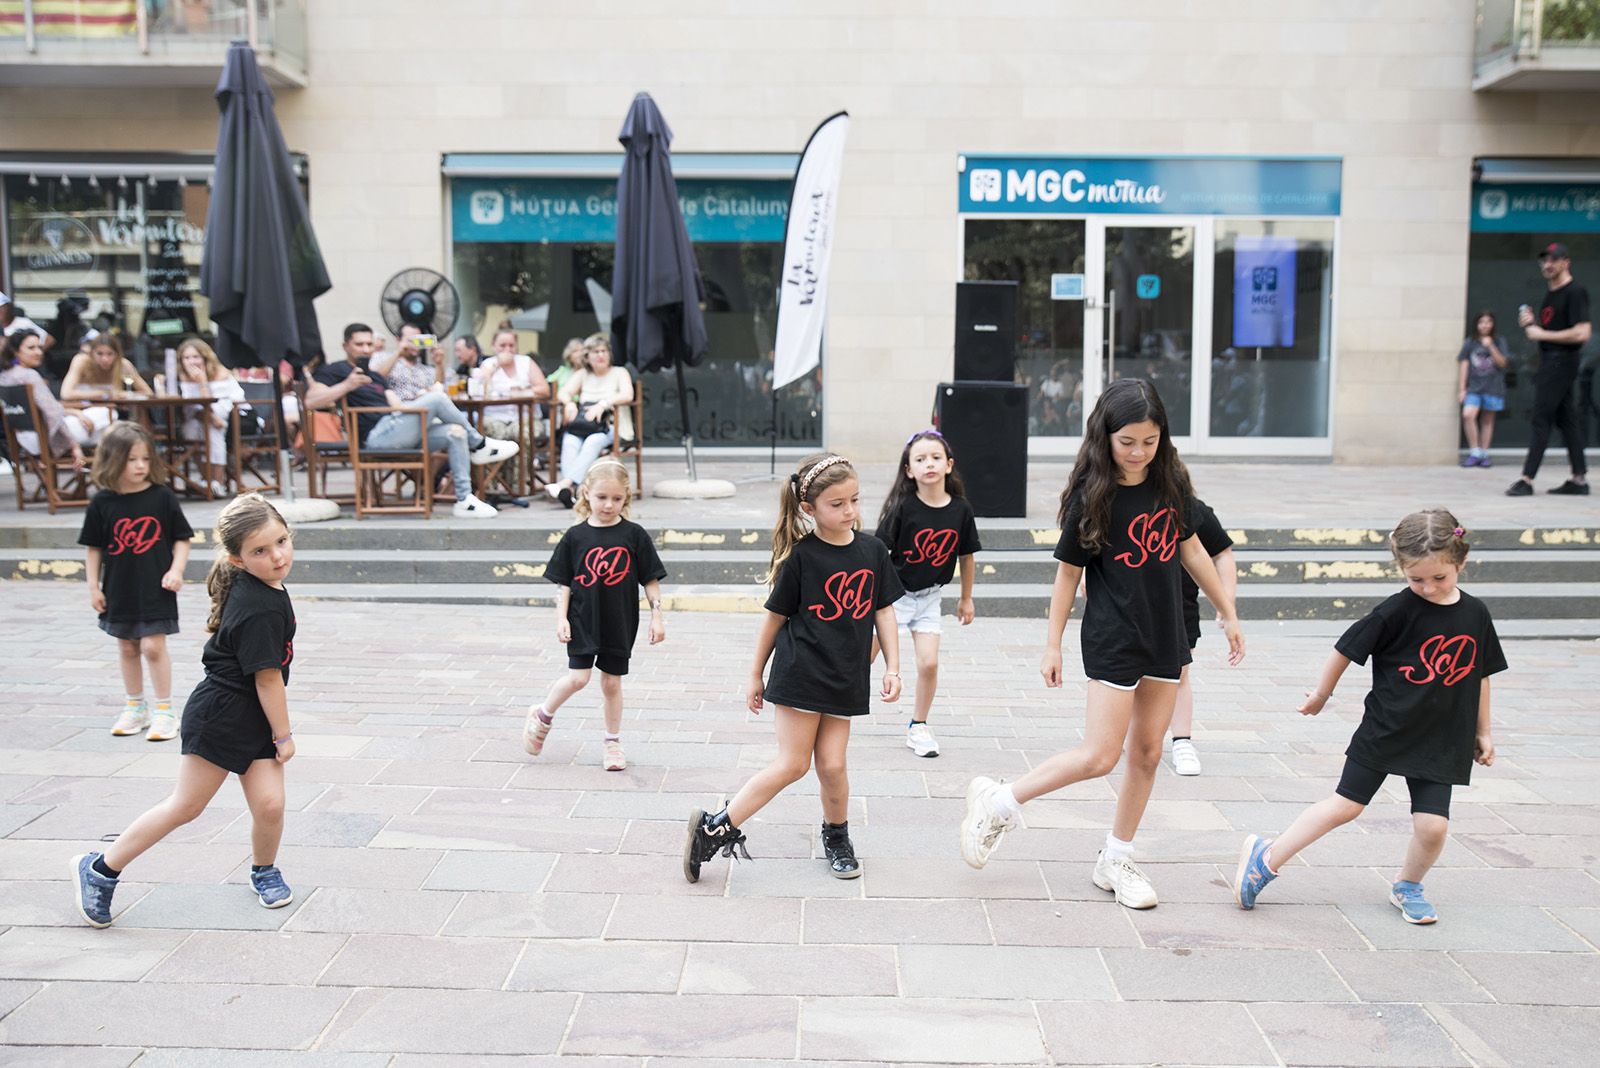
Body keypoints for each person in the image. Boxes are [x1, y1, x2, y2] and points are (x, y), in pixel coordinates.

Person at [959, 379, 1244, 909]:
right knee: (1099, 755)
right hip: (1114, 635)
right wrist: (1052, 645)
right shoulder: (1093, 497)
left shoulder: (1173, 487)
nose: (1139, 452)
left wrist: (1227, 612)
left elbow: (1194, 552)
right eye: (1127, 441)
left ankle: (1116, 856)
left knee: (1149, 752)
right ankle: (999, 801)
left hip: (1167, 634)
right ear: (1105, 436)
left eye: (1150, 441)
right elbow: (1067, 577)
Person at [1235, 510, 1505, 925]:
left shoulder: (1476, 614)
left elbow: (1481, 673)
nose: (1428, 588)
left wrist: (1484, 731)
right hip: (1388, 729)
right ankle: (1266, 859)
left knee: (1433, 826)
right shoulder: (1396, 611)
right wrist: (1321, 695)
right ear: (1401, 569)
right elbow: (1345, 649)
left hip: (1443, 738)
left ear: (1460, 563)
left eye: (1440, 578)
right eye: (1416, 579)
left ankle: (1409, 885)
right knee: (1346, 806)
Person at [71, 494, 299, 928]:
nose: (277, 556)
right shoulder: (260, 607)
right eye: (261, 551)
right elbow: (267, 678)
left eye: (281, 541)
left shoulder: (263, 586)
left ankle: (263, 870)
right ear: (237, 558)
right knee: (186, 806)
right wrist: (284, 735)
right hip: (222, 715)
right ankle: (100, 868)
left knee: (269, 804)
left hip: (253, 715)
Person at [683, 454, 904, 883]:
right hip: (801, 672)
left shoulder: (873, 551)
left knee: (834, 767)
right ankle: (715, 827)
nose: (850, 511)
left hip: (846, 676)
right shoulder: (801, 558)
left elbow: (885, 613)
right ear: (809, 509)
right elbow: (774, 619)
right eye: (837, 504)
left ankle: (836, 836)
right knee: (792, 764)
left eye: (855, 500)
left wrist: (893, 666)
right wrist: (754, 674)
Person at [523, 459, 666, 772]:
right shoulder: (575, 537)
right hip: (582, 620)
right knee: (578, 678)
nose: (609, 505)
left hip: (619, 622)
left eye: (616, 499)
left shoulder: (634, 535)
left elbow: (650, 579)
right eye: (602, 497)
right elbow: (564, 583)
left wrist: (657, 617)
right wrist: (561, 619)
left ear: (625, 498)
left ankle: (612, 742)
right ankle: (543, 715)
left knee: (612, 683)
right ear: (586, 494)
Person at [304, 322, 516, 519]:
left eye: (369, 344)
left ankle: (465, 500)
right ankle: (479, 444)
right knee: (438, 398)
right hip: (375, 439)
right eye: (359, 344)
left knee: (454, 432)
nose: (366, 349)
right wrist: (347, 385)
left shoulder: (375, 376)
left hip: (397, 428)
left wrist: (423, 403)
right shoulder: (334, 371)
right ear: (345, 345)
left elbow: (397, 406)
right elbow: (311, 401)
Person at [77, 422, 194, 742]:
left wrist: (176, 570)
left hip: (156, 586)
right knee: (127, 646)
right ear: (113, 460)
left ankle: (165, 710)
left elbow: (183, 538)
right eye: (131, 459)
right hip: (120, 588)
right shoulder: (102, 502)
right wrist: (93, 587)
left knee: (153, 646)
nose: (140, 465)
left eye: (145, 458)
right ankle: (135, 706)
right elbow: (94, 548)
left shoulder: (162, 497)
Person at [872, 428, 981, 758]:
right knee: (864, 655)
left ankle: (918, 725)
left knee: (929, 664)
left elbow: (966, 555)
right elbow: (878, 551)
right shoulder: (903, 507)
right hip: (895, 597)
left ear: (948, 465)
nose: (928, 464)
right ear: (909, 470)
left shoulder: (960, 510)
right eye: (920, 459)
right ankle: (832, 710)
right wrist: (872, 597)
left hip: (931, 598)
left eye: (935, 457)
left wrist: (966, 597)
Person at [1510, 242, 1590, 496]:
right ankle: (1579, 480)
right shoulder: (1551, 294)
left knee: (1541, 417)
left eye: (1553, 260)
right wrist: (1532, 325)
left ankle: (1527, 478)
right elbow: (1548, 331)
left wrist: (1543, 333)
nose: (1547, 265)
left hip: (1561, 361)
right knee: (1567, 419)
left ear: (1566, 262)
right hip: (1551, 360)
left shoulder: (1574, 291)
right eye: (1544, 260)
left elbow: (1582, 332)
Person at [1168, 498, 1236, 776]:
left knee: (1179, 676)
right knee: (1128, 678)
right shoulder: (1116, 500)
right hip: (1127, 609)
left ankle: (1182, 741)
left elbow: (1222, 553)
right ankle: (1122, 735)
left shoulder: (1188, 508)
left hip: (1178, 610)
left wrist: (1226, 603)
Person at [545, 334, 633, 508]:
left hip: (610, 427)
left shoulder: (619, 372)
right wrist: (569, 403)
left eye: (604, 351)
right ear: (587, 357)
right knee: (570, 441)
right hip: (583, 426)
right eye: (595, 352)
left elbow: (627, 395)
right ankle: (573, 490)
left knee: (593, 442)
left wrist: (603, 404)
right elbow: (564, 392)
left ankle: (566, 484)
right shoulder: (583, 374)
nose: (601, 355)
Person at [0, 330, 91, 467]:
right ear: (15, 351)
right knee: (106, 416)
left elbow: (46, 408)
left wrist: (72, 411)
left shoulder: (5, 377)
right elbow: (53, 414)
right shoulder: (30, 376)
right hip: (44, 438)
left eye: (40, 347)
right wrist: (75, 446)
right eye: (31, 348)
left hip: (22, 439)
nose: (38, 352)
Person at [174, 337, 246, 497]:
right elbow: (190, 407)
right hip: (204, 418)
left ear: (205, 357)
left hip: (234, 416)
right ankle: (207, 478)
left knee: (212, 427)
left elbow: (218, 405)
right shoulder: (183, 377)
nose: (191, 361)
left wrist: (202, 382)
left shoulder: (220, 373)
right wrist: (209, 416)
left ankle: (218, 481)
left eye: (195, 357)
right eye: (186, 358)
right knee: (190, 429)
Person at [61, 334, 149, 443]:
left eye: (110, 354)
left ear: (117, 354)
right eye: (99, 354)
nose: (105, 359)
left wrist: (124, 394)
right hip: (79, 413)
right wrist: (104, 394)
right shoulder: (81, 361)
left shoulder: (123, 365)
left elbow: (147, 392)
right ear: (92, 353)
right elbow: (66, 393)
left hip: (109, 416)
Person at [472, 328, 551, 444]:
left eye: (511, 345)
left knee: (523, 432)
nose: (507, 349)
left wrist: (520, 392)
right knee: (491, 431)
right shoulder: (487, 364)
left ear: (517, 346)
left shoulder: (526, 362)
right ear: (493, 346)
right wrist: (497, 365)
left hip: (526, 418)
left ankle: (523, 463)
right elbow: (478, 392)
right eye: (502, 345)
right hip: (494, 417)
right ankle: (500, 462)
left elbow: (544, 390)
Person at [1457, 311, 1510, 469]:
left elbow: (1502, 363)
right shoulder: (1470, 342)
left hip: (1493, 387)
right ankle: (1475, 451)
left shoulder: (1499, 341)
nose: (1485, 325)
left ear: (1492, 324)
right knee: (1468, 415)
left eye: (1488, 322)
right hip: (1474, 387)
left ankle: (1484, 453)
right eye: (1481, 322)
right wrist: (1462, 389)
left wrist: (1491, 346)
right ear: (1476, 324)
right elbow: (1464, 365)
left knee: (1487, 420)